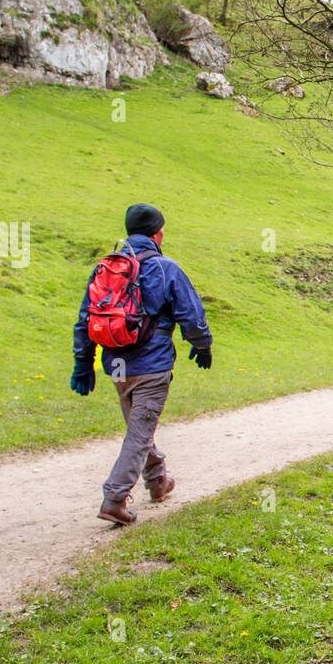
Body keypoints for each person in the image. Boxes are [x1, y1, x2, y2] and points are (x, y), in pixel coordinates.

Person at [71, 204, 213, 526]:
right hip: (152, 366)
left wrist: (83, 363)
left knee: (139, 427)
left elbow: (85, 320)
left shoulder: (106, 269)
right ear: (157, 233)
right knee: (139, 432)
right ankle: (114, 498)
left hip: (117, 365)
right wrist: (203, 346)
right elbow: (192, 317)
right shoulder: (166, 268)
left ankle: (158, 481)